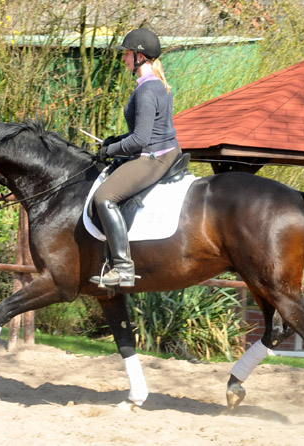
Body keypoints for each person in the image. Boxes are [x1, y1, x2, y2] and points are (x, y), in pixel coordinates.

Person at [90, 28, 182, 288]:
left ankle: (123, 268)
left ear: (140, 56)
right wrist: (116, 140)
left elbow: (140, 140)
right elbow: (146, 130)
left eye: (127, 55)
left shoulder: (145, 90)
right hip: (166, 151)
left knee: (103, 197)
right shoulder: (157, 85)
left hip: (153, 158)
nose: (125, 60)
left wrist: (109, 150)